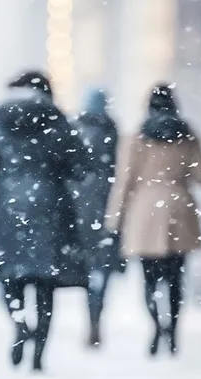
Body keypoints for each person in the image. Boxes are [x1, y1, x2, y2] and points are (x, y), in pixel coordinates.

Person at [0, 71, 90, 372]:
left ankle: (20, 325)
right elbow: (80, 165)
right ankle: (39, 355)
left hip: (9, 205)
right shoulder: (56, 119)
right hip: (49, 204)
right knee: (45, 282)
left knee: (11, 276)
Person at [106, 83, 201, 356]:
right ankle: (172, 330)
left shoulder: (137, 137)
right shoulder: (188, 135)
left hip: (146, 209)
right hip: (179, 207)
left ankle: (156, 325)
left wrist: (114, 220)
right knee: (176, 278)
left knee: (149, 279)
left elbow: (125, 181)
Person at [70, 87, 123, 349]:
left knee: (86, 270)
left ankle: (91, 318)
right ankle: (95, 317)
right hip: (107, 210)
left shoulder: (75, 130)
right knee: (103, 271)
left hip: (81, 210)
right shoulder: (113, 133)